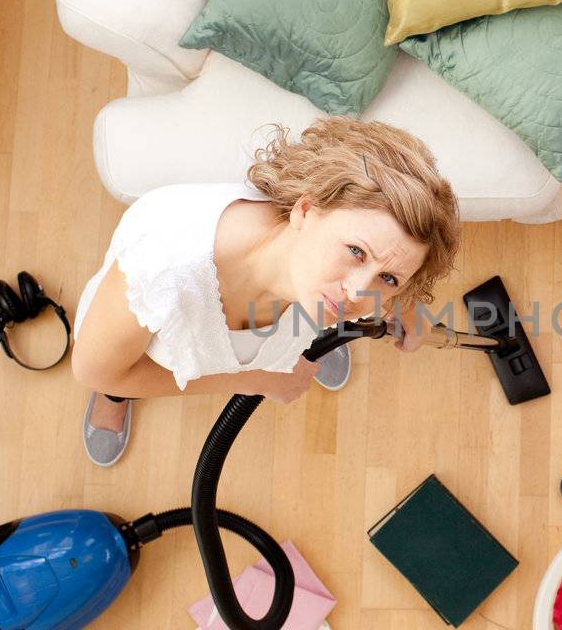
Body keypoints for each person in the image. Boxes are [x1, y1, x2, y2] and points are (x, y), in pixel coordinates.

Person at [70, 117, 461, 466]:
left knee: (330, 309)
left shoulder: (331, 272)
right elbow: (92, 371)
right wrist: (255, 380)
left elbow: (378, 272)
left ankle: (302, 343)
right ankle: (118, 399)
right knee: (115, 371)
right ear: (305, 211)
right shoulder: (160, 271)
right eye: (355, 252)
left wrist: (405, 304)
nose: (360, 292)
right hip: (145, 339)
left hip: (290, 313)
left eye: (389, 278)